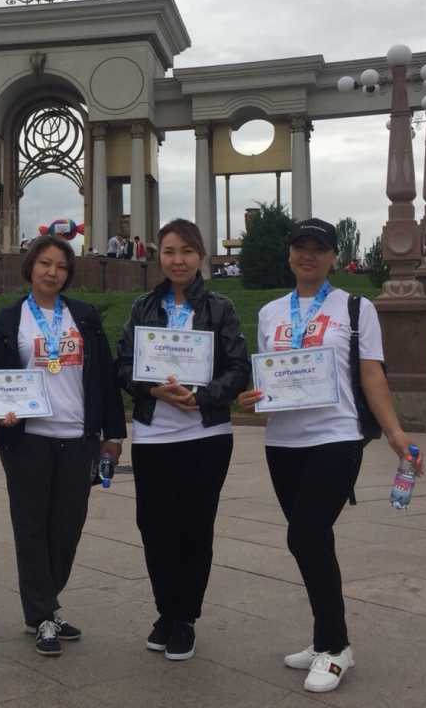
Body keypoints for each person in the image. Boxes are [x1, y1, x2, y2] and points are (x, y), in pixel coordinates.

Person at [237, 218, 424, 695]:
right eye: (300, 246)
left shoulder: (356, 308)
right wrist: (254, 397)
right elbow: (267, 376)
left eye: (319, 248)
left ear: (334, 257)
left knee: (305, 534)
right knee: (312, 541)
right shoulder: (270, 313)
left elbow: (372, 375)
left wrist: (395, 433)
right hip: (283, 441)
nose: (309, 255)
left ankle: (337, 646)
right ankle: (324, 637)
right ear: (289, 255)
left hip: (336, 436)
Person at [0, 235, 125, 656]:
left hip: (77, 438)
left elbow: (104, 377)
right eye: (45, 263)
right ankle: (42, 614)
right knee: (31, 528)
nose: (52, 272)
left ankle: (45, 603)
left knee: (67, 528)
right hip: (29, 441)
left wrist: (112, 436)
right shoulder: (11, 319)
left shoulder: (83, 316)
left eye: (60, 266)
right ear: (30, 267)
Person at [116, 218, 250, 662]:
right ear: (159, 256)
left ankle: (185, 618)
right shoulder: (142, 308)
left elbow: (238, 368)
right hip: (154, 435)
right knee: (154, 528)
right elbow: (123, 366)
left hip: (205, 434)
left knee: (195, 528)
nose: (178, 260)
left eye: (187, 251)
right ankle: (165, 612)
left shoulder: (220, 308)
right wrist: (151, 389)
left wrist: (203, 396)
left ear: (200, 257)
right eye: (170, 251)